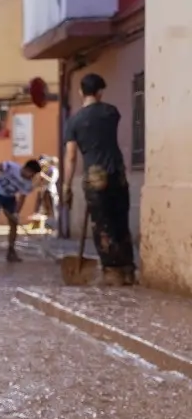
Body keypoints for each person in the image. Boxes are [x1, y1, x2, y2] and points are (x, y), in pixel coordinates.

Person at [62, 73, 136, 285]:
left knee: (102, 226)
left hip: (95, 177)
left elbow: (71, 156)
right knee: (120, 221)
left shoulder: (74, 121)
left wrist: (67, 186)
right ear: (100, 91)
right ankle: (128, 270)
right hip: (118, 175)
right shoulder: (111, 112)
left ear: (80, 92)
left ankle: (112, 272)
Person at [0, 159, 42, 262]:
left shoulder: (27, 184)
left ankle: (11, 251)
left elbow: (22, 198)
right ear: (26, 169)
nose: (31, 177)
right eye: (31, 174)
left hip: (9, 198)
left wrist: (16, 213)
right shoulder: (10, 166)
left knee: (13, 223)